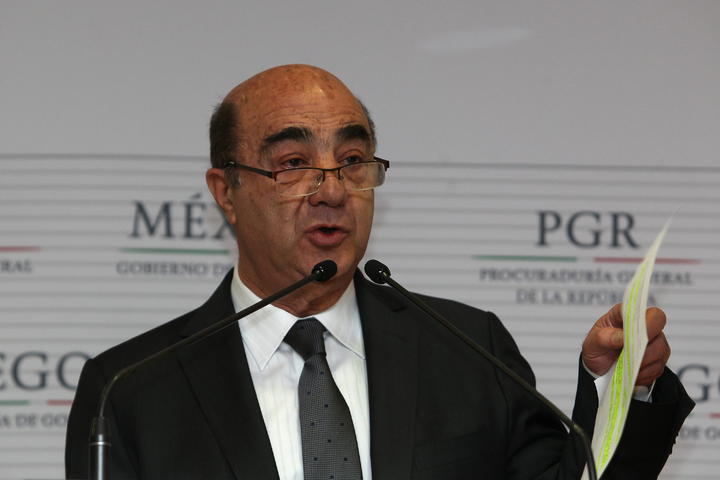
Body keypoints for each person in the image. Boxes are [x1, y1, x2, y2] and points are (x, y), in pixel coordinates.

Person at [65, 65, 693, 480]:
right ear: (226, 191)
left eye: (352, 159)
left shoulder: (468, 350)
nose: (331, 190)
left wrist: (621, 389)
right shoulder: (132, 389)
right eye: (293, 163)